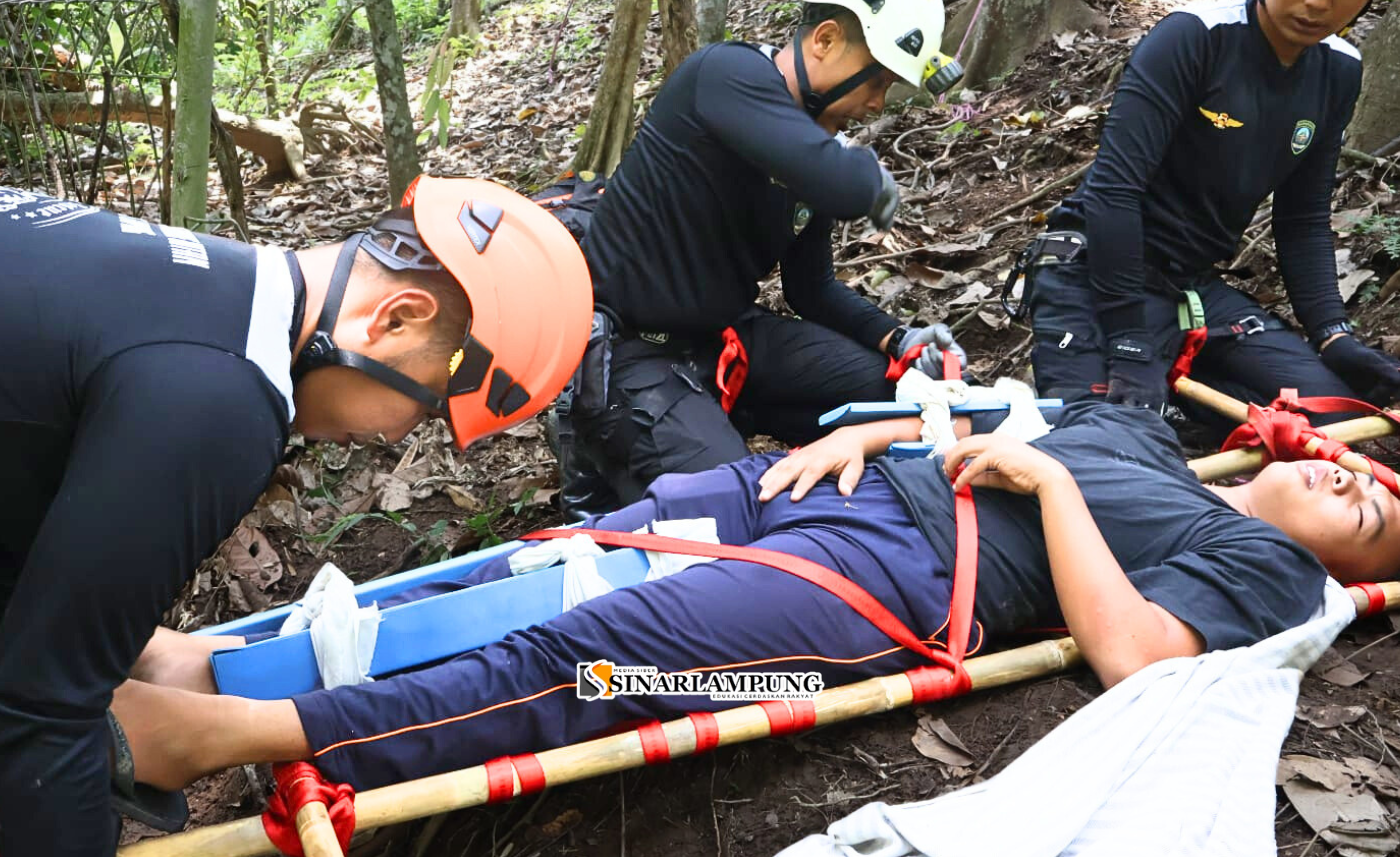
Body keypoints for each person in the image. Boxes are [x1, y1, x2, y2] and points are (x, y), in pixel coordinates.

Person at [108, 401, 1399, 800]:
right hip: (815, 493)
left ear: (1363, 572)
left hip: (884, 598)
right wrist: (884, 427)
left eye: (1383, 509)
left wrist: (1050, 488)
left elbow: (1133, 653)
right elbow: (980, 420)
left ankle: (237, 733)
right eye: (1365, 465)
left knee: (607, 661)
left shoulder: (1273, 574)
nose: (1360, 481)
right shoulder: (1141, 432)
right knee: (565, 552)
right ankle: (225, 657)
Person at [0, 176, 592, 857]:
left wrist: (138, 647)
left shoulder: (190, 286)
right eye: (427, 404)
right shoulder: (218, 400)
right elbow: (37, 716)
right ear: (396, 316)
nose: (399, 437)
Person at [560, 0, 967, 517]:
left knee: (899, 397)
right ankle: (601, 469)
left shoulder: (810, 152)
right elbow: (844, 184)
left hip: (723, 336)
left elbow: (813, 290)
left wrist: (897, 338)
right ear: (826, 40)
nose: (879, 103)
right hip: (634, 357)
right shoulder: (723, 75)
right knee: (738, 510)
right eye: (879, 80)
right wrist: (870, 179)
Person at [1018, 0, 1400, 429]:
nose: (1320, 0)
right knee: (1108, 438)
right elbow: (1112, 193)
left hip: (1192, 289)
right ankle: (1152, 398)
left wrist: (1333, 334)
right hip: (1094, 269)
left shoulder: (1340, 70)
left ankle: (1182, 399)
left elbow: (1302, 218)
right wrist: (1126, 340)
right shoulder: (1194, 38)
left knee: (1334, 417)